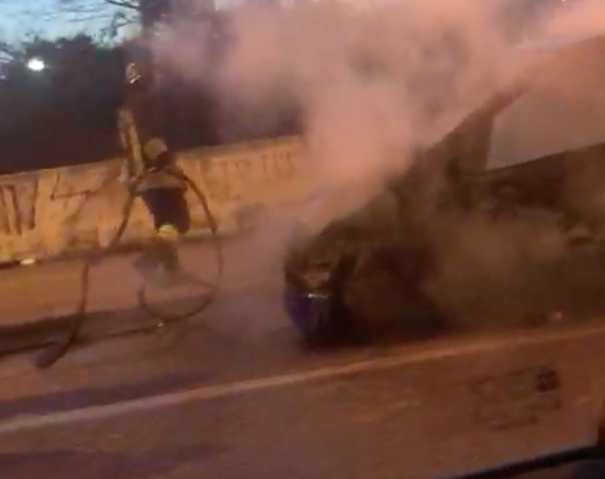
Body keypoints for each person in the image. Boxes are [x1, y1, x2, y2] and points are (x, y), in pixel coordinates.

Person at [117, 37, 191, 281]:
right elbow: (150, 139)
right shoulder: (146, 104)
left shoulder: (127, 109)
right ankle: (150, 258)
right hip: (157, 174)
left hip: (141, 178)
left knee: (164, 224)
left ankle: (171, 270)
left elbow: (129, 146)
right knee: (179, 220)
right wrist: (168, 163)